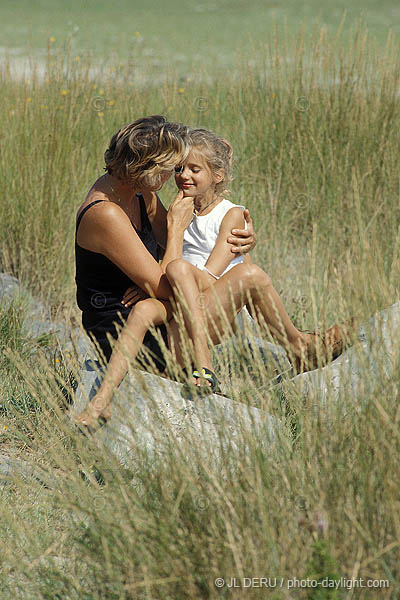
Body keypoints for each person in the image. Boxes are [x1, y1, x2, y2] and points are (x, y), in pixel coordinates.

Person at [73, 116, 256, 431]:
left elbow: (187, 248)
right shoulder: (105, 213)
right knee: (228, 289)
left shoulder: (140, 194)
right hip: (125, 328)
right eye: (171, 168)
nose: (176, 175)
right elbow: (167, 280)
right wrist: (173, 229)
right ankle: (199, 369)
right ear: (146, 168)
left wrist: (240, 239)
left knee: (241, 275)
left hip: (155, 308)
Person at [164, 128, 353, 390]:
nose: (184, 175)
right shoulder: (174, 212)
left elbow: (211, 278)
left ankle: (298, 345)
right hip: (180, 317)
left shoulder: (230, 214)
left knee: (249, 274)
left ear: (217, 175)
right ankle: (300, 345)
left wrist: (181, 269)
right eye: (179, 168)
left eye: (194, 169)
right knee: (246, 275)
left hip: (212, 307)